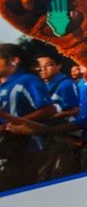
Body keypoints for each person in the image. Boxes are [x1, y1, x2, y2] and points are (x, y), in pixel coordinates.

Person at [0, 43, 56, 190]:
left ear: (13, 60)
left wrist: (15, 124)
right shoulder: (2, 86)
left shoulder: (27, 81)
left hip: (28, 148)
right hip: (6, 150)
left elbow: (49, 109)